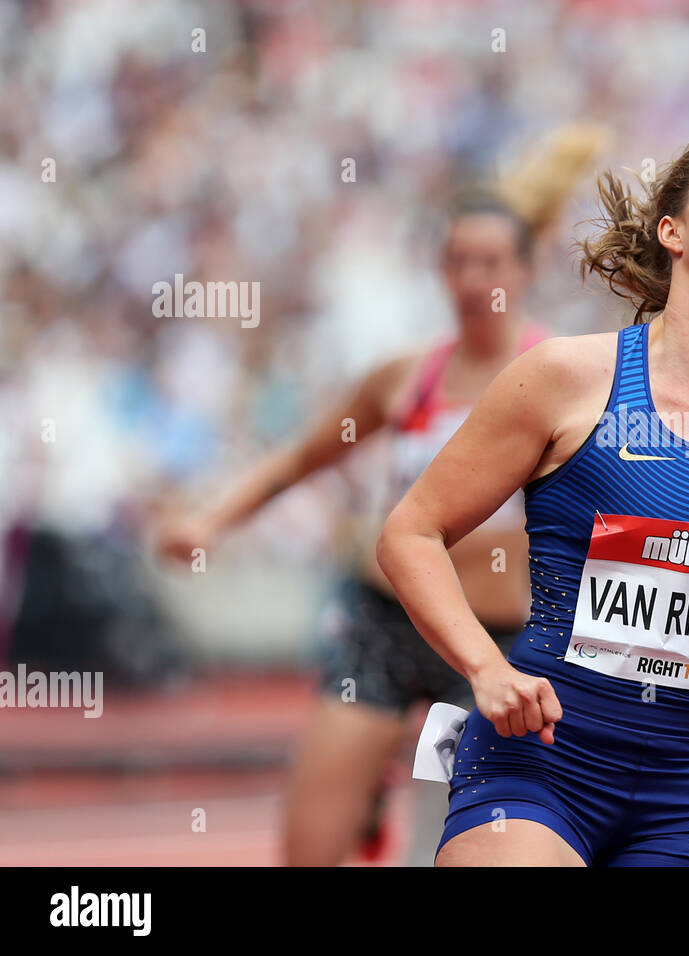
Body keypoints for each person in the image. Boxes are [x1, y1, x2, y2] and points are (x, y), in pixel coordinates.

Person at [377, 128, 689, 867]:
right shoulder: (565, 379)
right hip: (539, 761)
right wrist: (486, 669)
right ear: (671, 230)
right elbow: (409, 533)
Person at [153, 125, 607, 865]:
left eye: (489, 262)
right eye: (457, 261)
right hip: (389, 622)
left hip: (504, 644)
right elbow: (300, 458)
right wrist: (209, 521)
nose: (471, 279)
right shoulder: (405, 377)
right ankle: (367, 794)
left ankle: (405, 796)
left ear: (525, 272)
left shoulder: (569, 380)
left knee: (455, 849)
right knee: (309, 848)